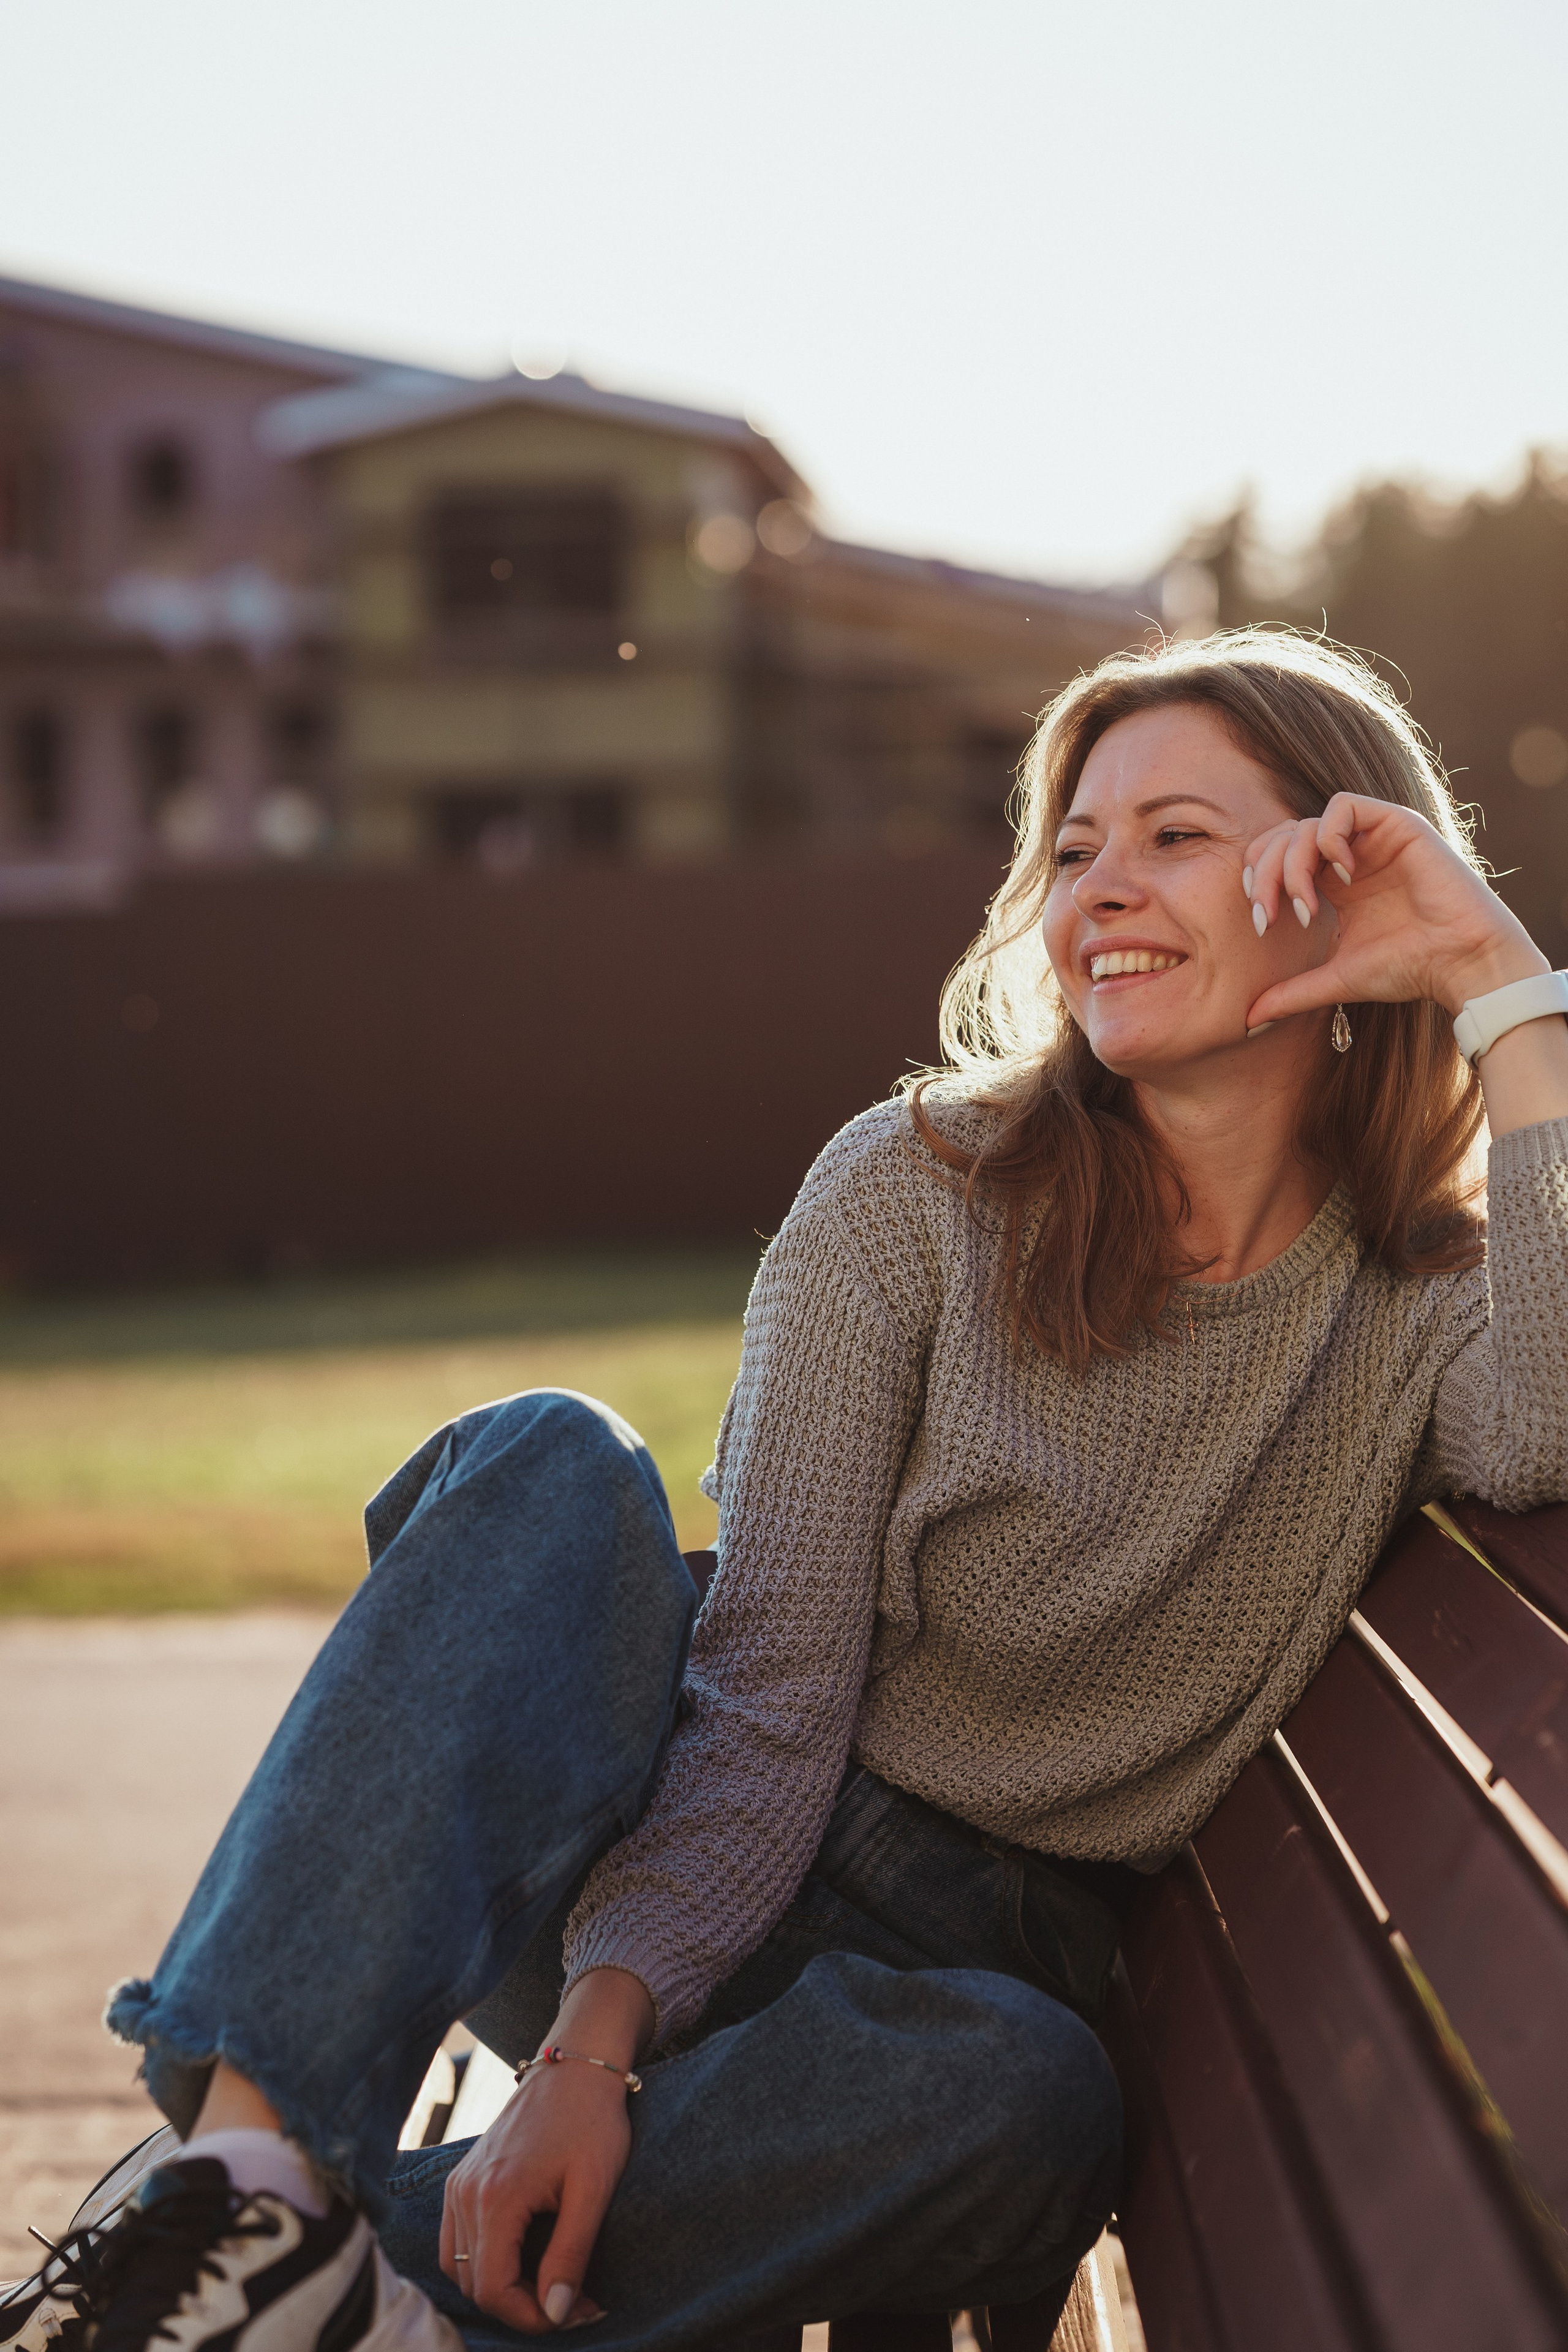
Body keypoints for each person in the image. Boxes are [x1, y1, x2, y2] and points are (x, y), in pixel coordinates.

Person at [10, 628, 1568, 2352]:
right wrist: (594, 2049)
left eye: (1176, 837)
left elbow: (1552, 1428)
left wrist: (1492, 970)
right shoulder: (918, 1193)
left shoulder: (1417, 1302)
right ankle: (244, 2182)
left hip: (934, 2011)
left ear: (1337, 883)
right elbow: (764, 1702)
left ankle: (323, 2291)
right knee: (547, 1455)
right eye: (1074, 851)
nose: (1102, 891)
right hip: (670, 1844)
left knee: (1032, 2105)